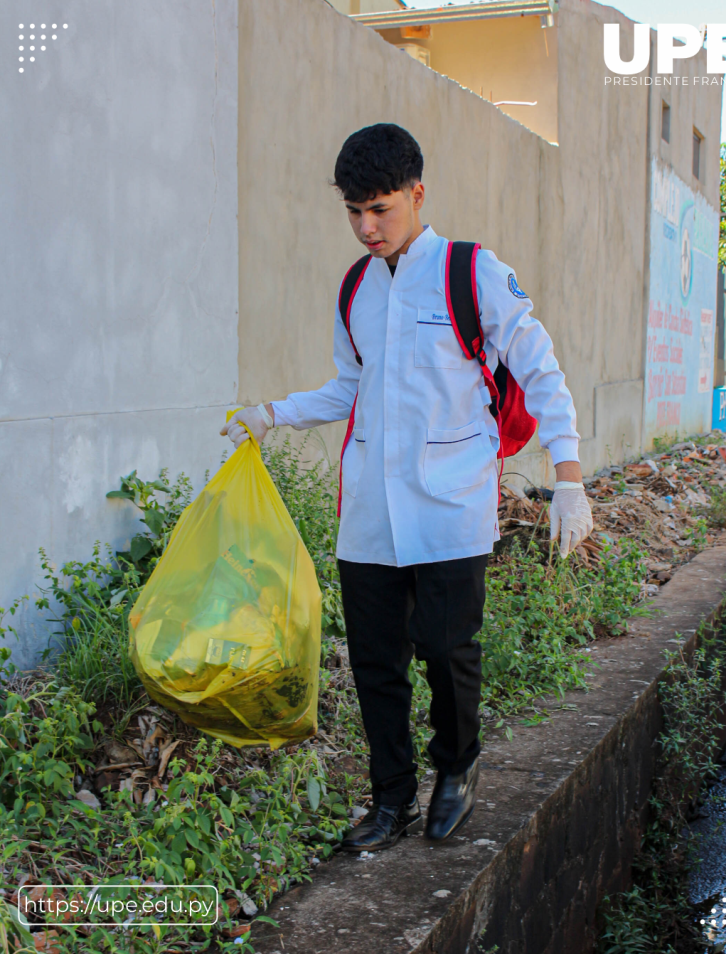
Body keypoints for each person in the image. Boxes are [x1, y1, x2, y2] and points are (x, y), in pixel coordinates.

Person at [221, 124, 593, 853]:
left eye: (380, 208)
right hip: (370, 509)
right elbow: (350, 386)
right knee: (375, 664)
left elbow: (540, 369)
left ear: (417, 194)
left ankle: (457, 768)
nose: (367, 227)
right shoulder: (356, 288)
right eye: (354, 211)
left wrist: (569, 476)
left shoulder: (470, 272)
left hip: (451, 503)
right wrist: (272, 414)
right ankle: (392, 797)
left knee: (448, 650)